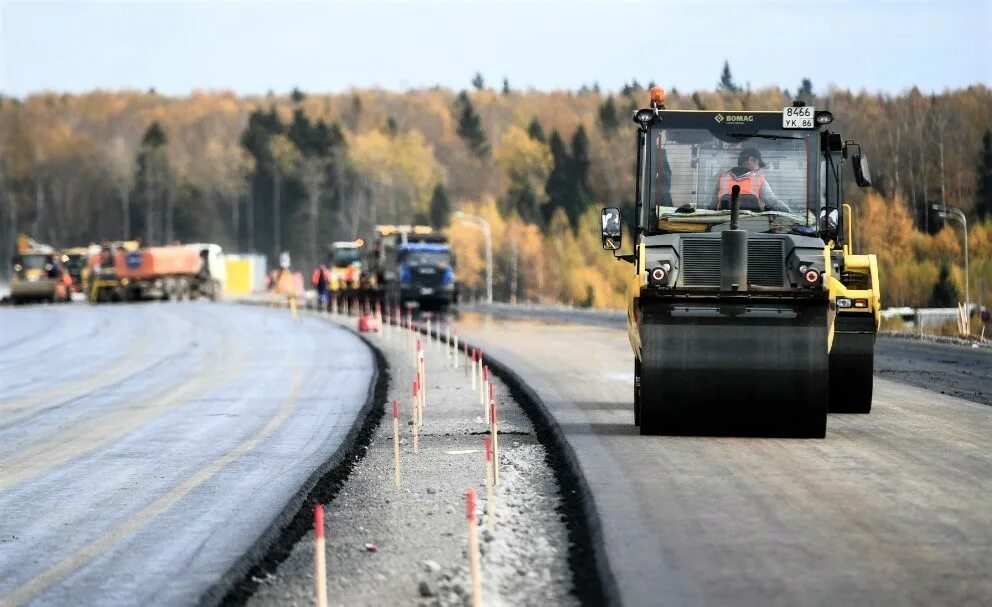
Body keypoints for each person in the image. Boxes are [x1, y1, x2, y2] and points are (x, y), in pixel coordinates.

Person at [715, 147, 789, 212]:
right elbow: (773, 202)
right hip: (753, 225)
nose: (758, 169)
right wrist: (792, 215)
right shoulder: (758, 180)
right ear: (751, 160)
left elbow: (713, 204)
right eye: (758, 164)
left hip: (721, 225)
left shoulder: (723, 178)